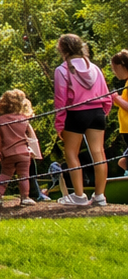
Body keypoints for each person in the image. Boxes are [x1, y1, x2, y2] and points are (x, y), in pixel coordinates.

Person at [52, 34, 111, 207]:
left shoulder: (62, 70)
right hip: (97, 113)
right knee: (98, 153)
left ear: (62, 50)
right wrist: (103, 112)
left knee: (71, 153)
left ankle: (79, 196)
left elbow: (60, 101)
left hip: (76, 114)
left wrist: (59, 124)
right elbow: (106, 95)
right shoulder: (95, 68)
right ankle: (100, 196)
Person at [0, 89, 38, 207]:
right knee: (23, 175)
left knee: (5, 174)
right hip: (23, 153)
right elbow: (31, 136)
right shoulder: (23, 119)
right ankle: (25, 197)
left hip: (7, 153)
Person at [111, 49, 128, 175]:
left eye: (115, 68)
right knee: (123, 161)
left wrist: (116, 98)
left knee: (123, 162)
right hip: (125, 129)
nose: (114, 72)